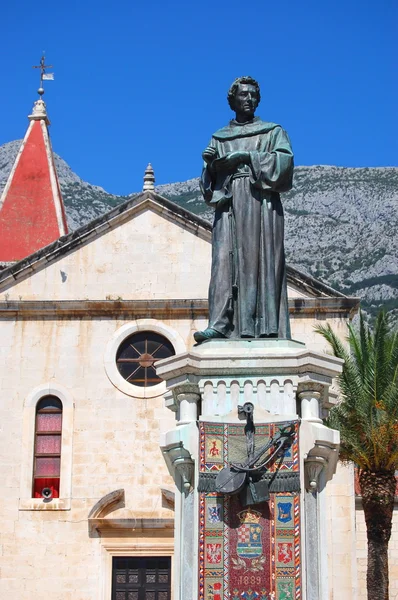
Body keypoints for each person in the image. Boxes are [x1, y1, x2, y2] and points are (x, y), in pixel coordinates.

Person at [194, 76, 294, 343]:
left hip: (261, 204)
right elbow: (208, 187)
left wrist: (246, 157)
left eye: (253, 95)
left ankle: (262, 326)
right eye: (243, 95)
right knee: (223, 263)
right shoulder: (219, 138)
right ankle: (220, 324)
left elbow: (284, 166)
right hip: (228, 207)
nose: (249, 99)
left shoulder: (273, 132)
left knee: (259, 261)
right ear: (232, 101)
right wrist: (209, 166)